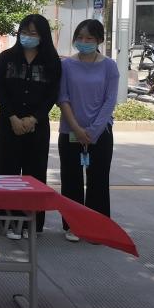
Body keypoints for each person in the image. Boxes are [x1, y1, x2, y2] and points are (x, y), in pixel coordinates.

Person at [0, 14, 62, 238]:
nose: (28, 37)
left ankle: (32, 224)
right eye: (24, 32)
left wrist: (34, 118)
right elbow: (0, 90)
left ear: (43, 36)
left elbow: (52, 94)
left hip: (37, 126)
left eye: (33, 33)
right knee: (7, 172)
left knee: (35, 174)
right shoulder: (6, 58)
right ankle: (7, 221)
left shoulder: (52, 61)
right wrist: (13, 117)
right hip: (9, 123)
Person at [57, 19, 118, 242]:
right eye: (80, 37)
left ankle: (97, 227)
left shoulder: (109, 66)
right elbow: (62, 98)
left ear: (99, 40)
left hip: (100, 134)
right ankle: (74, 226)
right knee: (71, 179)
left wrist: (93, 131)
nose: (84, 42)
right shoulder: (67, 65)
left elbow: (110, 100)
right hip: (70, 131)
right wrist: (76, 128)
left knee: (98, 181)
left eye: (89, 38)